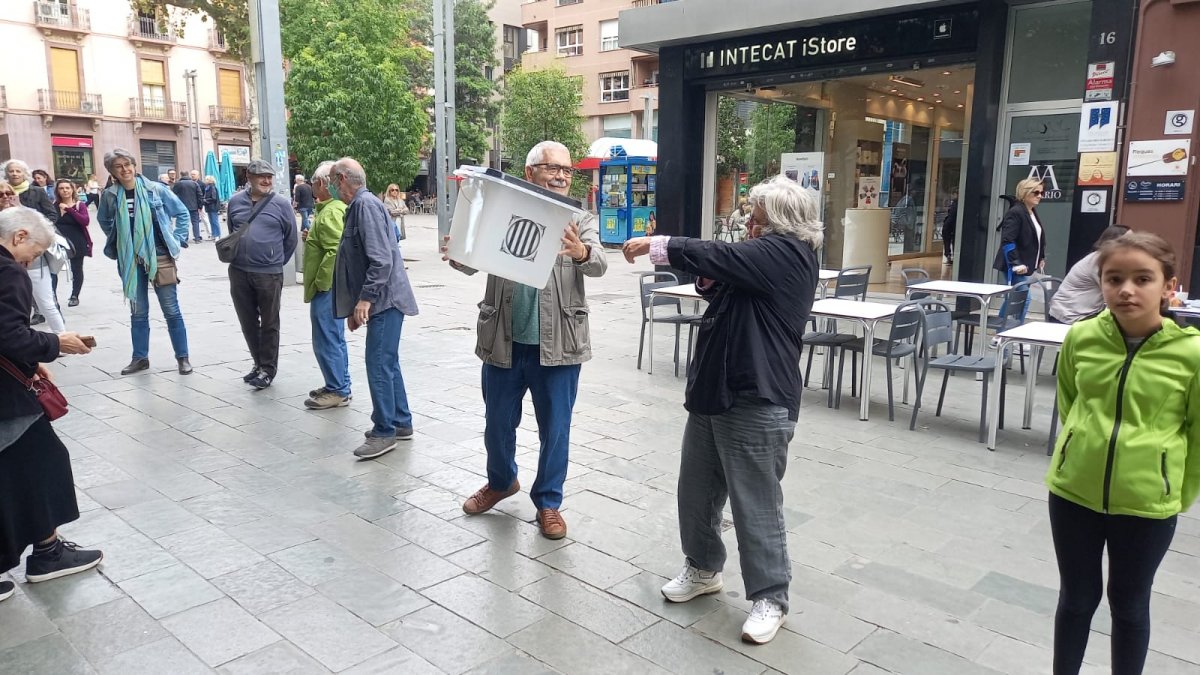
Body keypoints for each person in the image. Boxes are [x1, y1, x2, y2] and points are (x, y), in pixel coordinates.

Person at [622, 175, 821, 645]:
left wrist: (661, 244)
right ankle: (703, 567)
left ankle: (771, 596)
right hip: (716, 392)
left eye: (756, 219)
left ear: (779, 224)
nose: (748, 226)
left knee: (756, 503)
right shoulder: (765, 259)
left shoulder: (790, 254)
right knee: (695, 491)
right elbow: (724, 281)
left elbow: (724, 257)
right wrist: (709, 276)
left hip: (758, 397)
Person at [1047, 231, 1200, 675]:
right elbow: (1069, 402)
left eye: (1142, 279)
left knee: (1130, 606)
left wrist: (1172, 493)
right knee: (1075, 599)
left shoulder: (1191, 354)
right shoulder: (1081, 338)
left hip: (1148, 503)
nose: (1126, 290)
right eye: (1114, 279)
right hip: (1073, 494)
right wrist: (1075, 454)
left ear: (1168, 287)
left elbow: (1197, 433)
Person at [443, 140, 608, 540]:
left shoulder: (579, 219)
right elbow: (471, 260)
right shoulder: (505, 211)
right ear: (530, 171)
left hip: (559, 345)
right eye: (552, 167)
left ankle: (548, 503)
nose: (560, 175)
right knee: (497, 424)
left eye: (567, 171)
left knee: (557, 429)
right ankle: (501, 482)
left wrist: (582, 251)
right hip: (503, 338)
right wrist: (459, 251)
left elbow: (600, 264)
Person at [0, 206, 101, 604]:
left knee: (26, 465)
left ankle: (46, 548)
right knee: (45, 461)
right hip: (7, 400)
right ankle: (47, 553)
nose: (32, 262)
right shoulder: (7, 270)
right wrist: (56, 344)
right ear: (19, 236)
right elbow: (10, 335)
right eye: (36, 253)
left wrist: (32, 358)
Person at [330, 158, 418, 458]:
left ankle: (385, 431)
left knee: (379, 364)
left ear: (342, 179)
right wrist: (359, 303)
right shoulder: (364, 205)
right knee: (387, 361)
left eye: (333, 180)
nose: (332, 187)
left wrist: (366, 299)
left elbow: (381, 259)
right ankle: (400, 421)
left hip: (385, 299)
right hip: (385, 298)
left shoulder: (365, 206)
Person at [96, 148, 194, 376]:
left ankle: (183, 358)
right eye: (119, 166)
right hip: (129, 260)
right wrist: (120, 240)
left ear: (134, 165)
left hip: (160, 255)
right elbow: (104, 220)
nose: (125, 169)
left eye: (127, 164)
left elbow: (182, 213)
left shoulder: (155, 189)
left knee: (171, 310)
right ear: (112, 172)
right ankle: (140, 358)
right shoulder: (110, 196)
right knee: (138, 312)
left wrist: (177, 239)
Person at [224, 159, 297, 390]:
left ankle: (268, 369)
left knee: (269, 322)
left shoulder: (281, 204)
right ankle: (258, 363)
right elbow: (232, 232)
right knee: (247, 321)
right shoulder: (235, 202)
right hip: (239, 271)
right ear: (249, 177)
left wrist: (274, 261)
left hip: (269, 273)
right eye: (261, 176)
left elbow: (291, 238)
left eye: (269, 176)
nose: (266, 181)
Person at [302, 161, 351, 410]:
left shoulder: (332, 211)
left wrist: (322, 282)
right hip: (330, 287)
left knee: (327, 338)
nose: (312, 186)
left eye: (313, 182)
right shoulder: (329, 209)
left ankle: (337, 389)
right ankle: (339, 384)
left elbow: (335, 250)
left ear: (321, 184)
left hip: (327, 287)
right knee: (332, 337)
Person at [1049, 225, 1131, 324]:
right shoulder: (1099, 261)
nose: (1133, 244)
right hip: (1069, 314)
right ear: (1114, 242)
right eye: (1129, 241)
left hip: (1087, 313)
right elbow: (1114, 292)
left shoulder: (1109, 259)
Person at [994, 178, 1046, 284]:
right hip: (1016, 266)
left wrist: (1040, 257)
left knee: (1018, 299)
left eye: (1042, 192)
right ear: (1024, 192)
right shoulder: (1016, 212)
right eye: (1036, 192)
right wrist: (1016, 263)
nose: (1040, 196)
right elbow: (1008, 240)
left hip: (1027, 265)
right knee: (1023, 299)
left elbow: (1037, 238)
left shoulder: (1031, 211)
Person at [52, 179, 91, 308]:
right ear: (57, 191)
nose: (65, 190)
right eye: (61, 188)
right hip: (58, 242)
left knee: (76, 269)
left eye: (67, 188)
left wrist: (70, 210)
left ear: (72, 189)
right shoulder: (53, 205)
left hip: (76, 242)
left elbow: (85, 221)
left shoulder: (79, 205)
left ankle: (75, 295)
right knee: (53, 270)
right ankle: (53, 297)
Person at [172, 170, 205, 243]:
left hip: (182, 207)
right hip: (194, 206)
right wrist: (200, 206)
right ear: (188, 175)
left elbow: (173, 195)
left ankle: (184, 238)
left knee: (184, 222)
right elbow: (200, 195)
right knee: (195, 222)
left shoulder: (178, 184)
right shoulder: (195, 184)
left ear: (181, 175)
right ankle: (197, 238)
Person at [942, 195, 958, 265]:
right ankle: (949, 256)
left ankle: (949, 256)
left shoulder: (955, 204)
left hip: (950, 225)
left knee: (948, 241)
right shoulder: (954, 204)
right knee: (949, 241)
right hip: (950, 225)